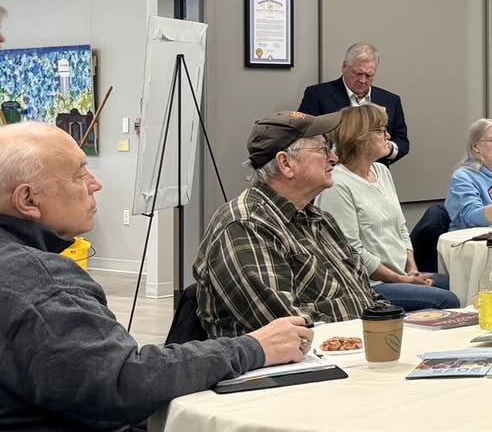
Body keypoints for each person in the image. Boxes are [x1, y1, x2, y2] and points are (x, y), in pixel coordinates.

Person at [0, 122, 311, 430]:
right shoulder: (37, 282)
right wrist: (254, 347)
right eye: (80, 173)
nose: (95, 183)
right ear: (28, 200)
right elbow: (123, 382)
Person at [195, 110, 389, 338]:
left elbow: (365, 293)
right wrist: (363, 316)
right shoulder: (246, 226)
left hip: (349, 352)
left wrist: (388, 321)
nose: (334, 158)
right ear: (286, 163)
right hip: (283, 368)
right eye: (323, 149)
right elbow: (286, 328)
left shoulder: (318, 219)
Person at [318, 105, 459, 311]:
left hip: (401, 274)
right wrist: (399, 279)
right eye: (381, 131)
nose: (388, 136)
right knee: (448, 299)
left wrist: (412, 268)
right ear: (360, 137)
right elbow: (351, 252)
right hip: (369, 284)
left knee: (470, 286)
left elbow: (401, 226)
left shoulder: (382, 171)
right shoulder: (338, 184)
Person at [297, 42, 409, 165]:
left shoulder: (390, 100)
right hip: (331, 170)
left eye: (369, 75)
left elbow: (402, 141)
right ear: (344, 67)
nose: (362, 80)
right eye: (358, 73)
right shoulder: (318, 95)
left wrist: (387, 149)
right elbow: (303, 134)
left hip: (375, 172)